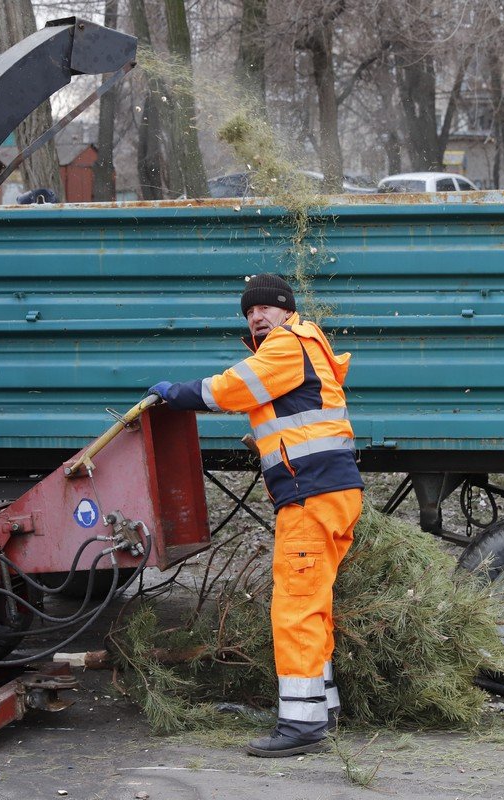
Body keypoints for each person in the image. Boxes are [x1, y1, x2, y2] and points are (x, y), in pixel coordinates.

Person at [148, 273, 364, 757]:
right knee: (315, 604)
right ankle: (319, 709)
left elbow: (230, 388)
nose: (256, 316)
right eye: (248, 312)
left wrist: (176, 393)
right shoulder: (306, 347)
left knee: (295, 606)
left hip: (311, 496)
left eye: (265, 308)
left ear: (287, 310)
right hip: (330, 492)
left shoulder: (287, 346)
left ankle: (301, 728)